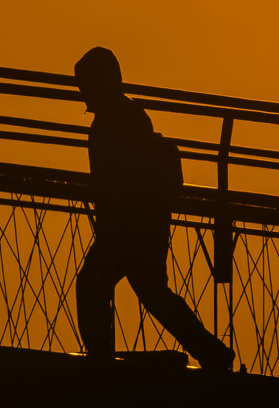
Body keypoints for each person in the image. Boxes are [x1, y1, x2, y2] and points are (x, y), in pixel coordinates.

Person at [72, 46, 233, 371]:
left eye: (84, 84)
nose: (82, 93)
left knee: (94, 284)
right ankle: (213, 352)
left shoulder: (110, 122)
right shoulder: (131, 113)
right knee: (153, 294)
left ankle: (100, 360)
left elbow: (112, 180)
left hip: (125, 226)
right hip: (145, 223)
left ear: (100, 81)